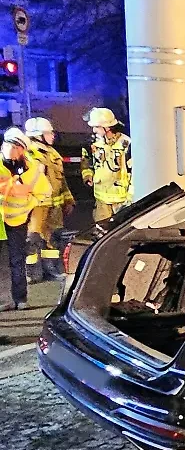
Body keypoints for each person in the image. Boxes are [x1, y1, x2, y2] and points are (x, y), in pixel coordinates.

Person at [1, 128, 48, 310]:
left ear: (22, 150)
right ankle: (5, 300)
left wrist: (29, 204)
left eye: (14, 146)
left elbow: (44, 192)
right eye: (7, 144)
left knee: (17, 260)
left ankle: (20, 299)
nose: (9, 149)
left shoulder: (32, 170)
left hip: (17, 220)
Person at [24, 117, 72, 282]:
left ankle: (50, 269)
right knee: (33, 239)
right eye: (48, 133)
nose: (52, 135)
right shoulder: (29, 153)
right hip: (37, 206)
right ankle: (30, 273)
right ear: (38, 135)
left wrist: (68, 199)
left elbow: (61, 179)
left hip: (54, 206)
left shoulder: (53, 154)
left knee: (53, 239)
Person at [81, 108, 132, 222]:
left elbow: (133, 172)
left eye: (97, 127)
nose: (94, 130)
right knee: (102, 232)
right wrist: (88, 176)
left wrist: (130, 197)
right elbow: (87, 162)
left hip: (121, 200)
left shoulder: (126, 143)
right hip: (101, 198)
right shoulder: (94, 143)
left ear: (107, 127)